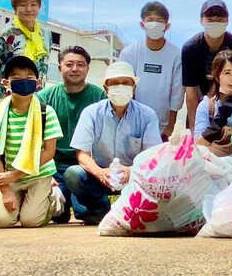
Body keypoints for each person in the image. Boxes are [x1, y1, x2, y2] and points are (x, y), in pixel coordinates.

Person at [67, 61, 161, 225]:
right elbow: (82, 154)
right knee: (74, 174)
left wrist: (131, 171)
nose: (120, 86)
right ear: (105, 88)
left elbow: (153, 156)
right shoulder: (91, 113)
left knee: (158, 175)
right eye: (115, 83)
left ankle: (117, 210)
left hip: (134, 176)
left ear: (134, 88)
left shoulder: (147, 115)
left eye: (126, 83)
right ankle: (101, 209)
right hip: (99, 176)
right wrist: (101, 173)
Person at [0, 53, 62, 228]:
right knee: (3, 221)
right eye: (16, 78)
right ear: (6, 83)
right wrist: (5, 190)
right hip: (10, 178)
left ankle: (52, 200)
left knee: (30, 221)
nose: (23, 81)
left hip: (39, 174)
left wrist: (16, 174)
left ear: (38, 82)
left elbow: (49, 152)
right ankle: (25, 200)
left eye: (29, 78)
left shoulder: (46, 112)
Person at [35, 46, 105, 224]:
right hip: (54, 168)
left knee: (85, 211)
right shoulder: (44, 98)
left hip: (84, 169)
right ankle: (62, 209)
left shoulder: (99, 97)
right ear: (60, 68)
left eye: (81, 65)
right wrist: (45, 175)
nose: (75, 69)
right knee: (54, 213)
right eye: (69, 64)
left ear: (88, 69)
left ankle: (93, 207)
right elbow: (34, 140)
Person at [118, 2, 183, 141]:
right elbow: (125, 87)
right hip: (133, 124)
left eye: (159, 21)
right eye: (150, 20)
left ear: (167, 26)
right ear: (142, 25)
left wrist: (170, 126)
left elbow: (177, 92)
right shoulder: (129, 53)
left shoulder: (176, 54)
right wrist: (130, 123)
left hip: (163, 126)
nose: (154, 24)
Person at [181, 0, 232, 128]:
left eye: (220, 18)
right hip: (203, 104)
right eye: (210, 18)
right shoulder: (190, 48)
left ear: (227, 21)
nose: (215, 21)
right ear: (201, 21)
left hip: (231, 103)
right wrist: (194, 128)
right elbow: (191, 91)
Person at [0, 0, 48, 99]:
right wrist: (1, 92)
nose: (29, 9)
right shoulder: (6, 33)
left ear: (39, 7)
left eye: (33, 5)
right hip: (8, 96)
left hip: (37, 96)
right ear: (15, 9)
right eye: (23, 5)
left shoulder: (46, 35)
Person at [193, 50, 232, 156]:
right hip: (215, 167)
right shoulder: (207, 105)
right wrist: (221, 117)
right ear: (217, 77)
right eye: (227, 73)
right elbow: (198, 145)